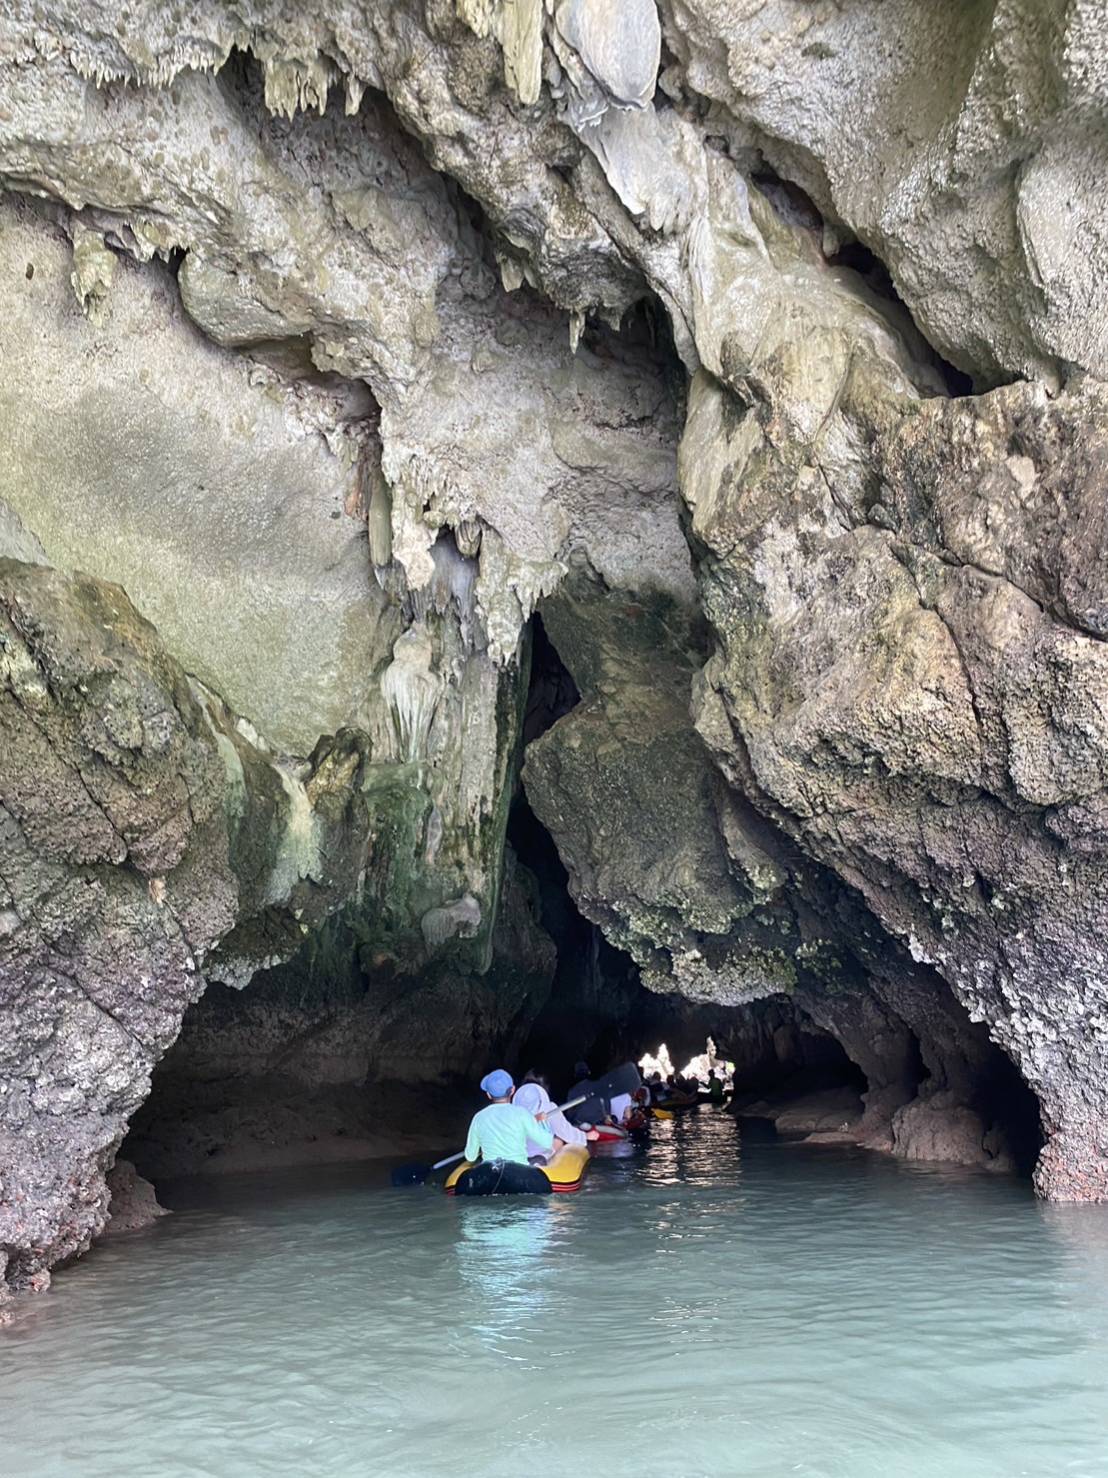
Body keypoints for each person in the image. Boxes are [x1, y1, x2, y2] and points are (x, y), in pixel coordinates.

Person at [455, 1069, 555, 1195]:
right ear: (512, 1090)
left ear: (489, 1095)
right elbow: (547, 1142)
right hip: (520, 1176)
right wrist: (543, 1121)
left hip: (489, 1175)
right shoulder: (522, 1114)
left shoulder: (479, 1117)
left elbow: (470, 1156)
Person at [513, 1081, 598, 1162]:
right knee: (558, 1139)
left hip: (519, 1152)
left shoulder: (512, 1111)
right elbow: (565, 1132)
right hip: (540, 1153)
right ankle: (542, 1158)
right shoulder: (550, 1108)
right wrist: (585, 1136)